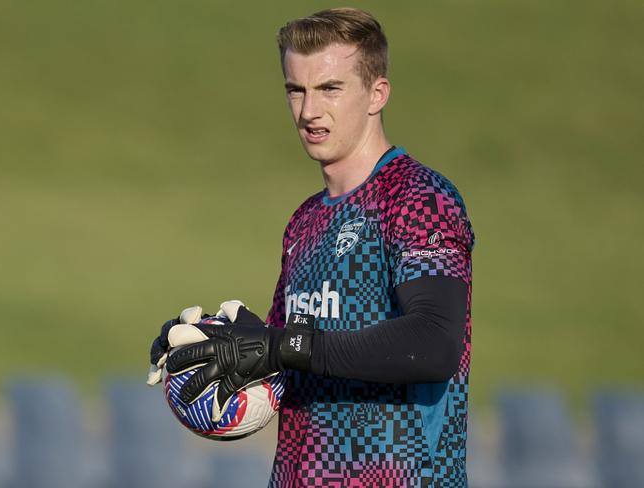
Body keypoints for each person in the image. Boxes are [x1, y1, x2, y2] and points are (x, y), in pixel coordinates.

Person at [149, 8, 474, 487]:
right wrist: (217, 347)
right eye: (295, 90)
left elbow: (433, 343)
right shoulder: (306, 220)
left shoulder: (418, 197)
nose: (308, 111)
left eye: (330, 89)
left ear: (376, 94)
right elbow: (288, 363)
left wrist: (284, 345)